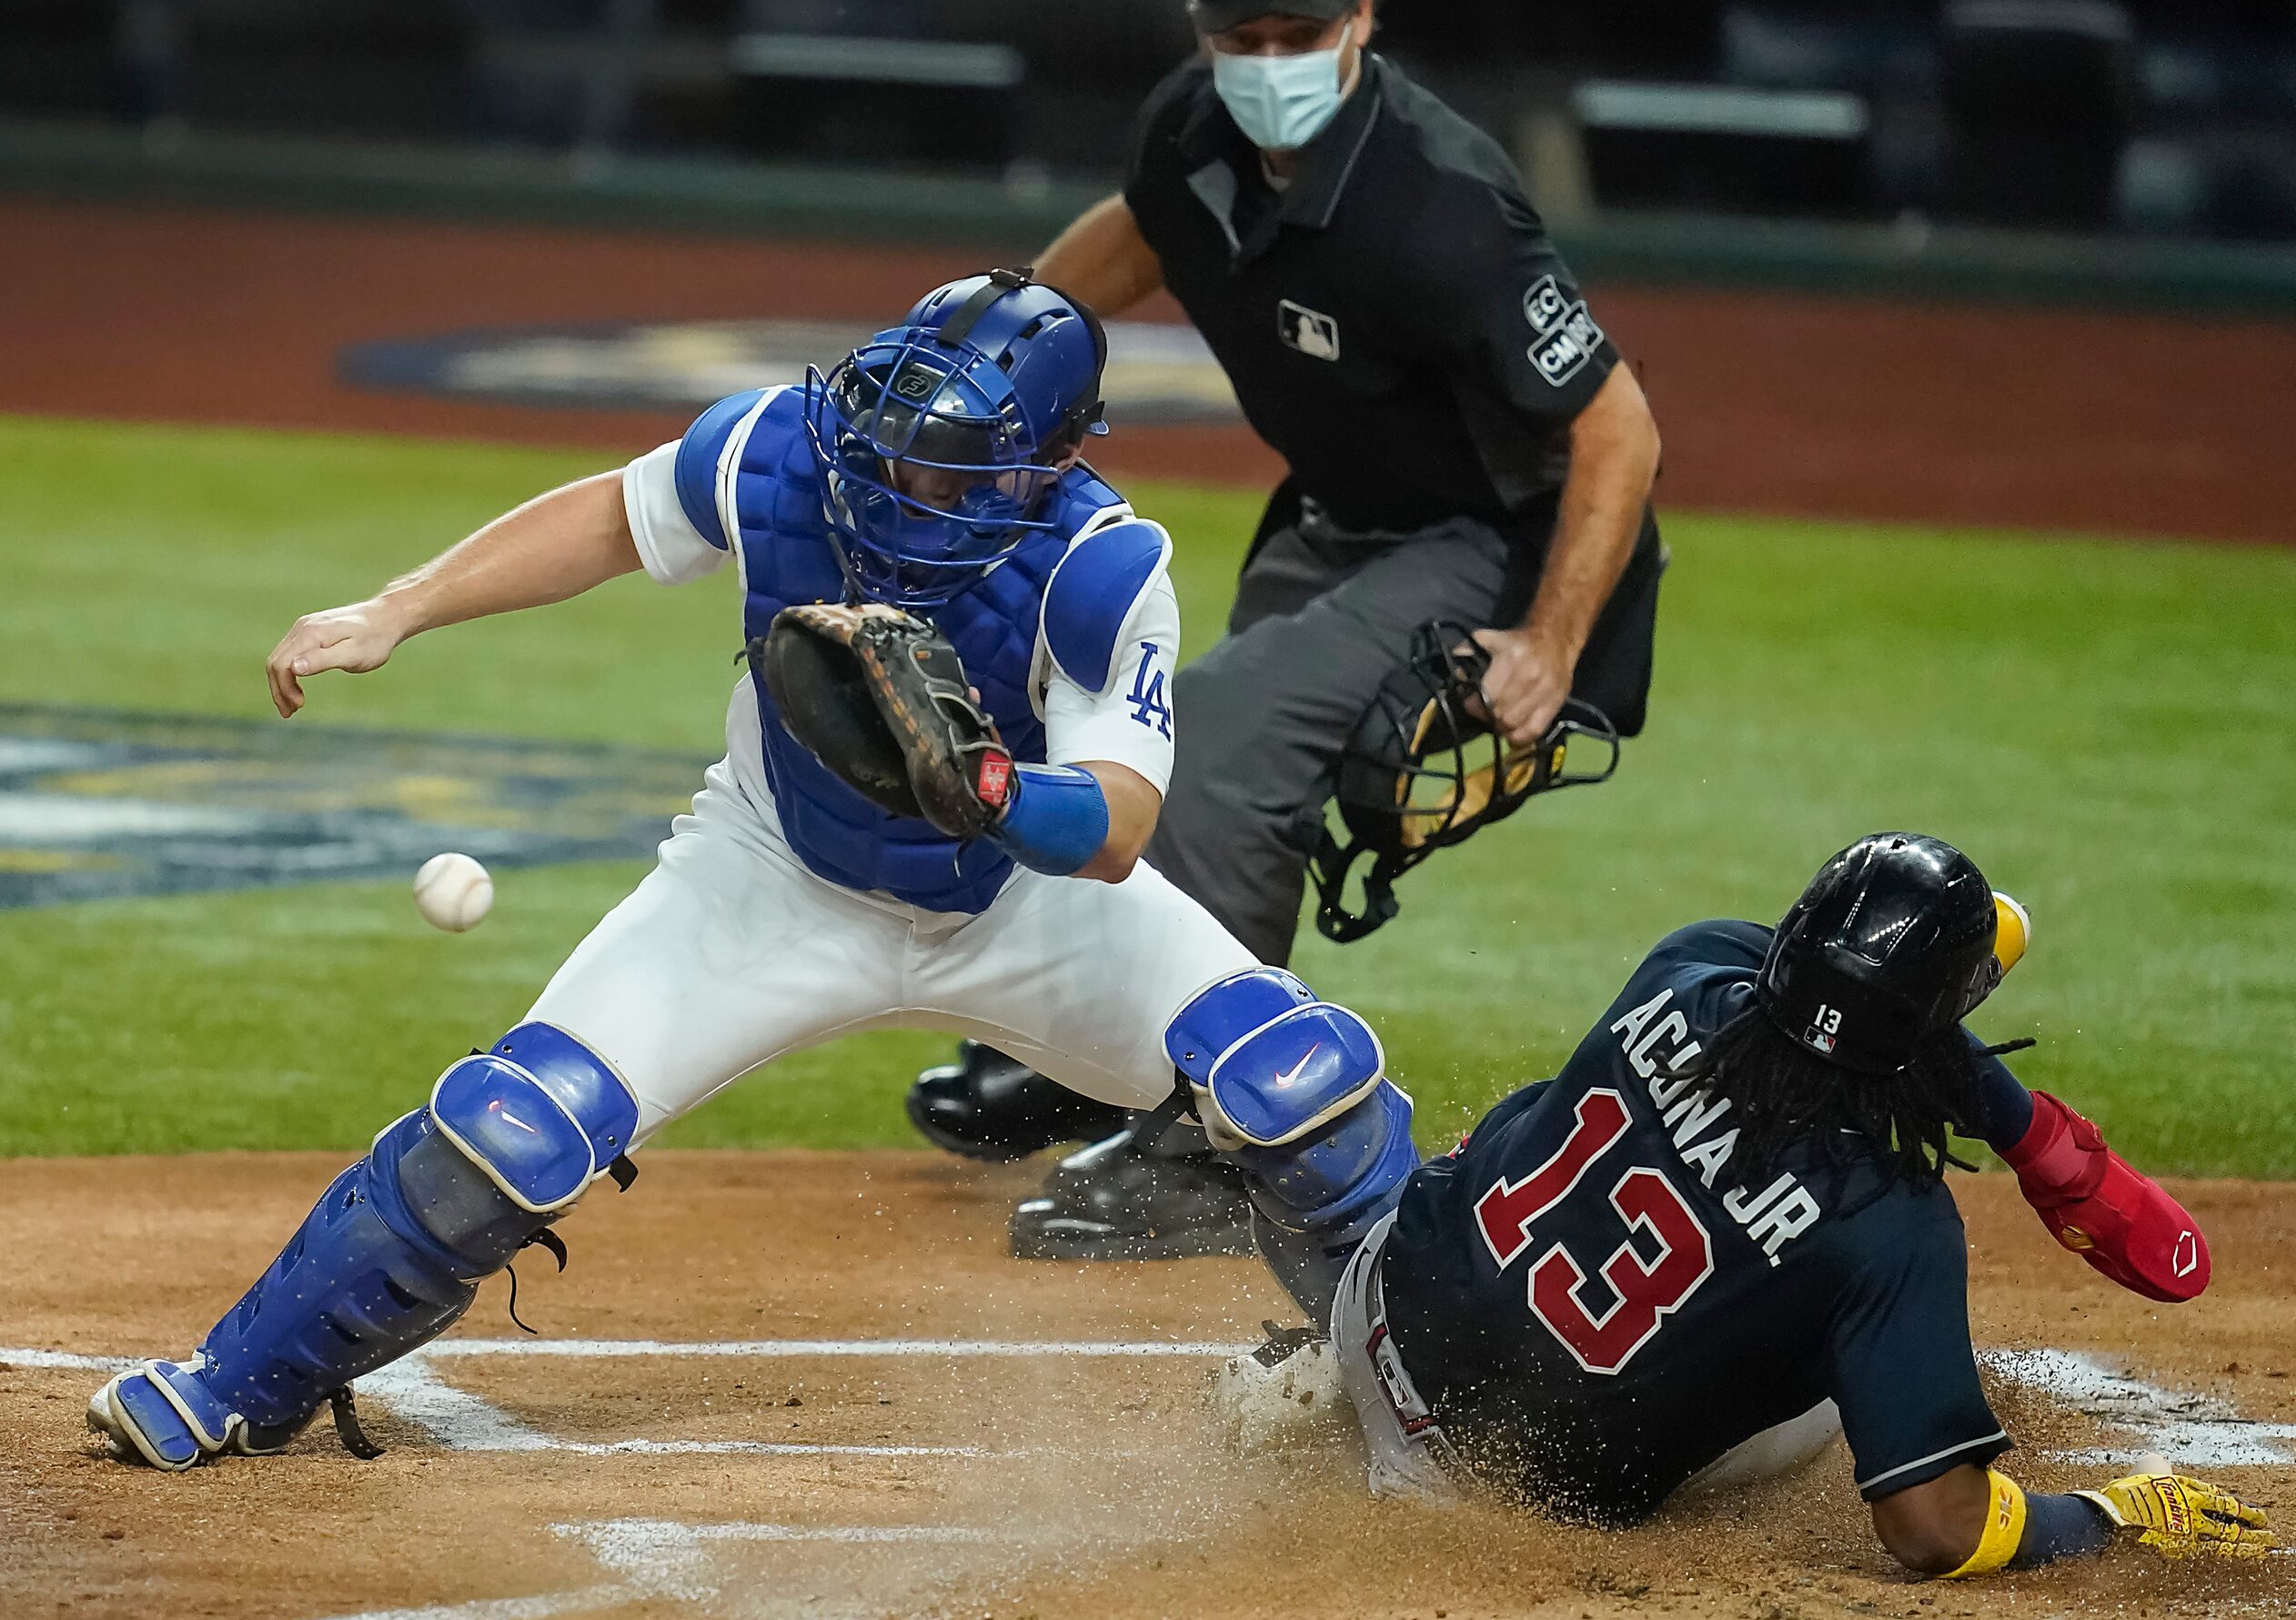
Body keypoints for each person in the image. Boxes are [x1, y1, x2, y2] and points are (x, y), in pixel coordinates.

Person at [84, 273, 1417, 1472]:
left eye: (949, 473)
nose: (900, 489)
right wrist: (396, 607)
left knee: (1294, 1081)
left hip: (1027, 903)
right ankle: (235, 1383)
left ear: (1048, 465)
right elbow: (610, 514)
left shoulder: (1098, 567)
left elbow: (1118, 825)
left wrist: (988, 787)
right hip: (769, 875)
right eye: (891, 451)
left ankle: (1442, 1384)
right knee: (512, 1128)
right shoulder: (783, 454)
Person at [909, 0, 1670, 1259]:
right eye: (1242, 38)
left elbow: (1617, 429)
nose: (1269, 62)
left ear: (1361, 18)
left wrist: (1551, 643)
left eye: (1299, 34)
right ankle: (1110, 1048)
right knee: (1119, 729)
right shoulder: (1186, 131)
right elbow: (1137, 241)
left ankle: (1226, 1144)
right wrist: (983, 348)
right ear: (1202, 31)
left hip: (1488, 541)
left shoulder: (1440, 204)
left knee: (1207, 747)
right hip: (1337, 519)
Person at [1253, 833, 2263, 1575]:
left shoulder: (1689, 965)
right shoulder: (1892, 1226)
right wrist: (2110, 1512)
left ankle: (1323, 1391)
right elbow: (1933, 1527)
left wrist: (2022, 1124)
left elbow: (1819, 1015)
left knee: (1532, 1121)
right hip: (1491, 1492)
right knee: (1835, 1363)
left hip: (1376, 1306)